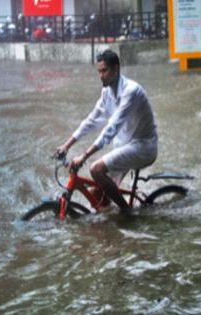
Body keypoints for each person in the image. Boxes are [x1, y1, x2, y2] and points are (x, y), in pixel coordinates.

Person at [55, 49, 158, 215]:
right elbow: (92, 120)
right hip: (125, 145)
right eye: (99, 71)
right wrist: (67, 145)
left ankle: (127, 213)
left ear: (116, 69)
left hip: (143, 147)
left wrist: (84, 156)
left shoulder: (131, 91)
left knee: (96, 170)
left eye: (105, 71)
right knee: (97, 196)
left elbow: (111, 128)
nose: (101, 76)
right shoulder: (107, 92)